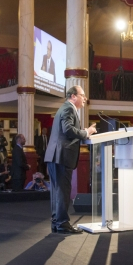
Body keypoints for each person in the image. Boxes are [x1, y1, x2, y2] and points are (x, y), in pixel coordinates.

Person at [45, 85, 96, 234]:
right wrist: (86, 132)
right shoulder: (68, 108)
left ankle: (57, 222)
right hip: (61, 155)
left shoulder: (65, 108)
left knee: (57, 191)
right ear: (73, 96)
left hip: (56, 155)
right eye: (82, 95)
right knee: (62, 191)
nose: (85, 98)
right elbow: (67, 129)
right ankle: (62, 223)